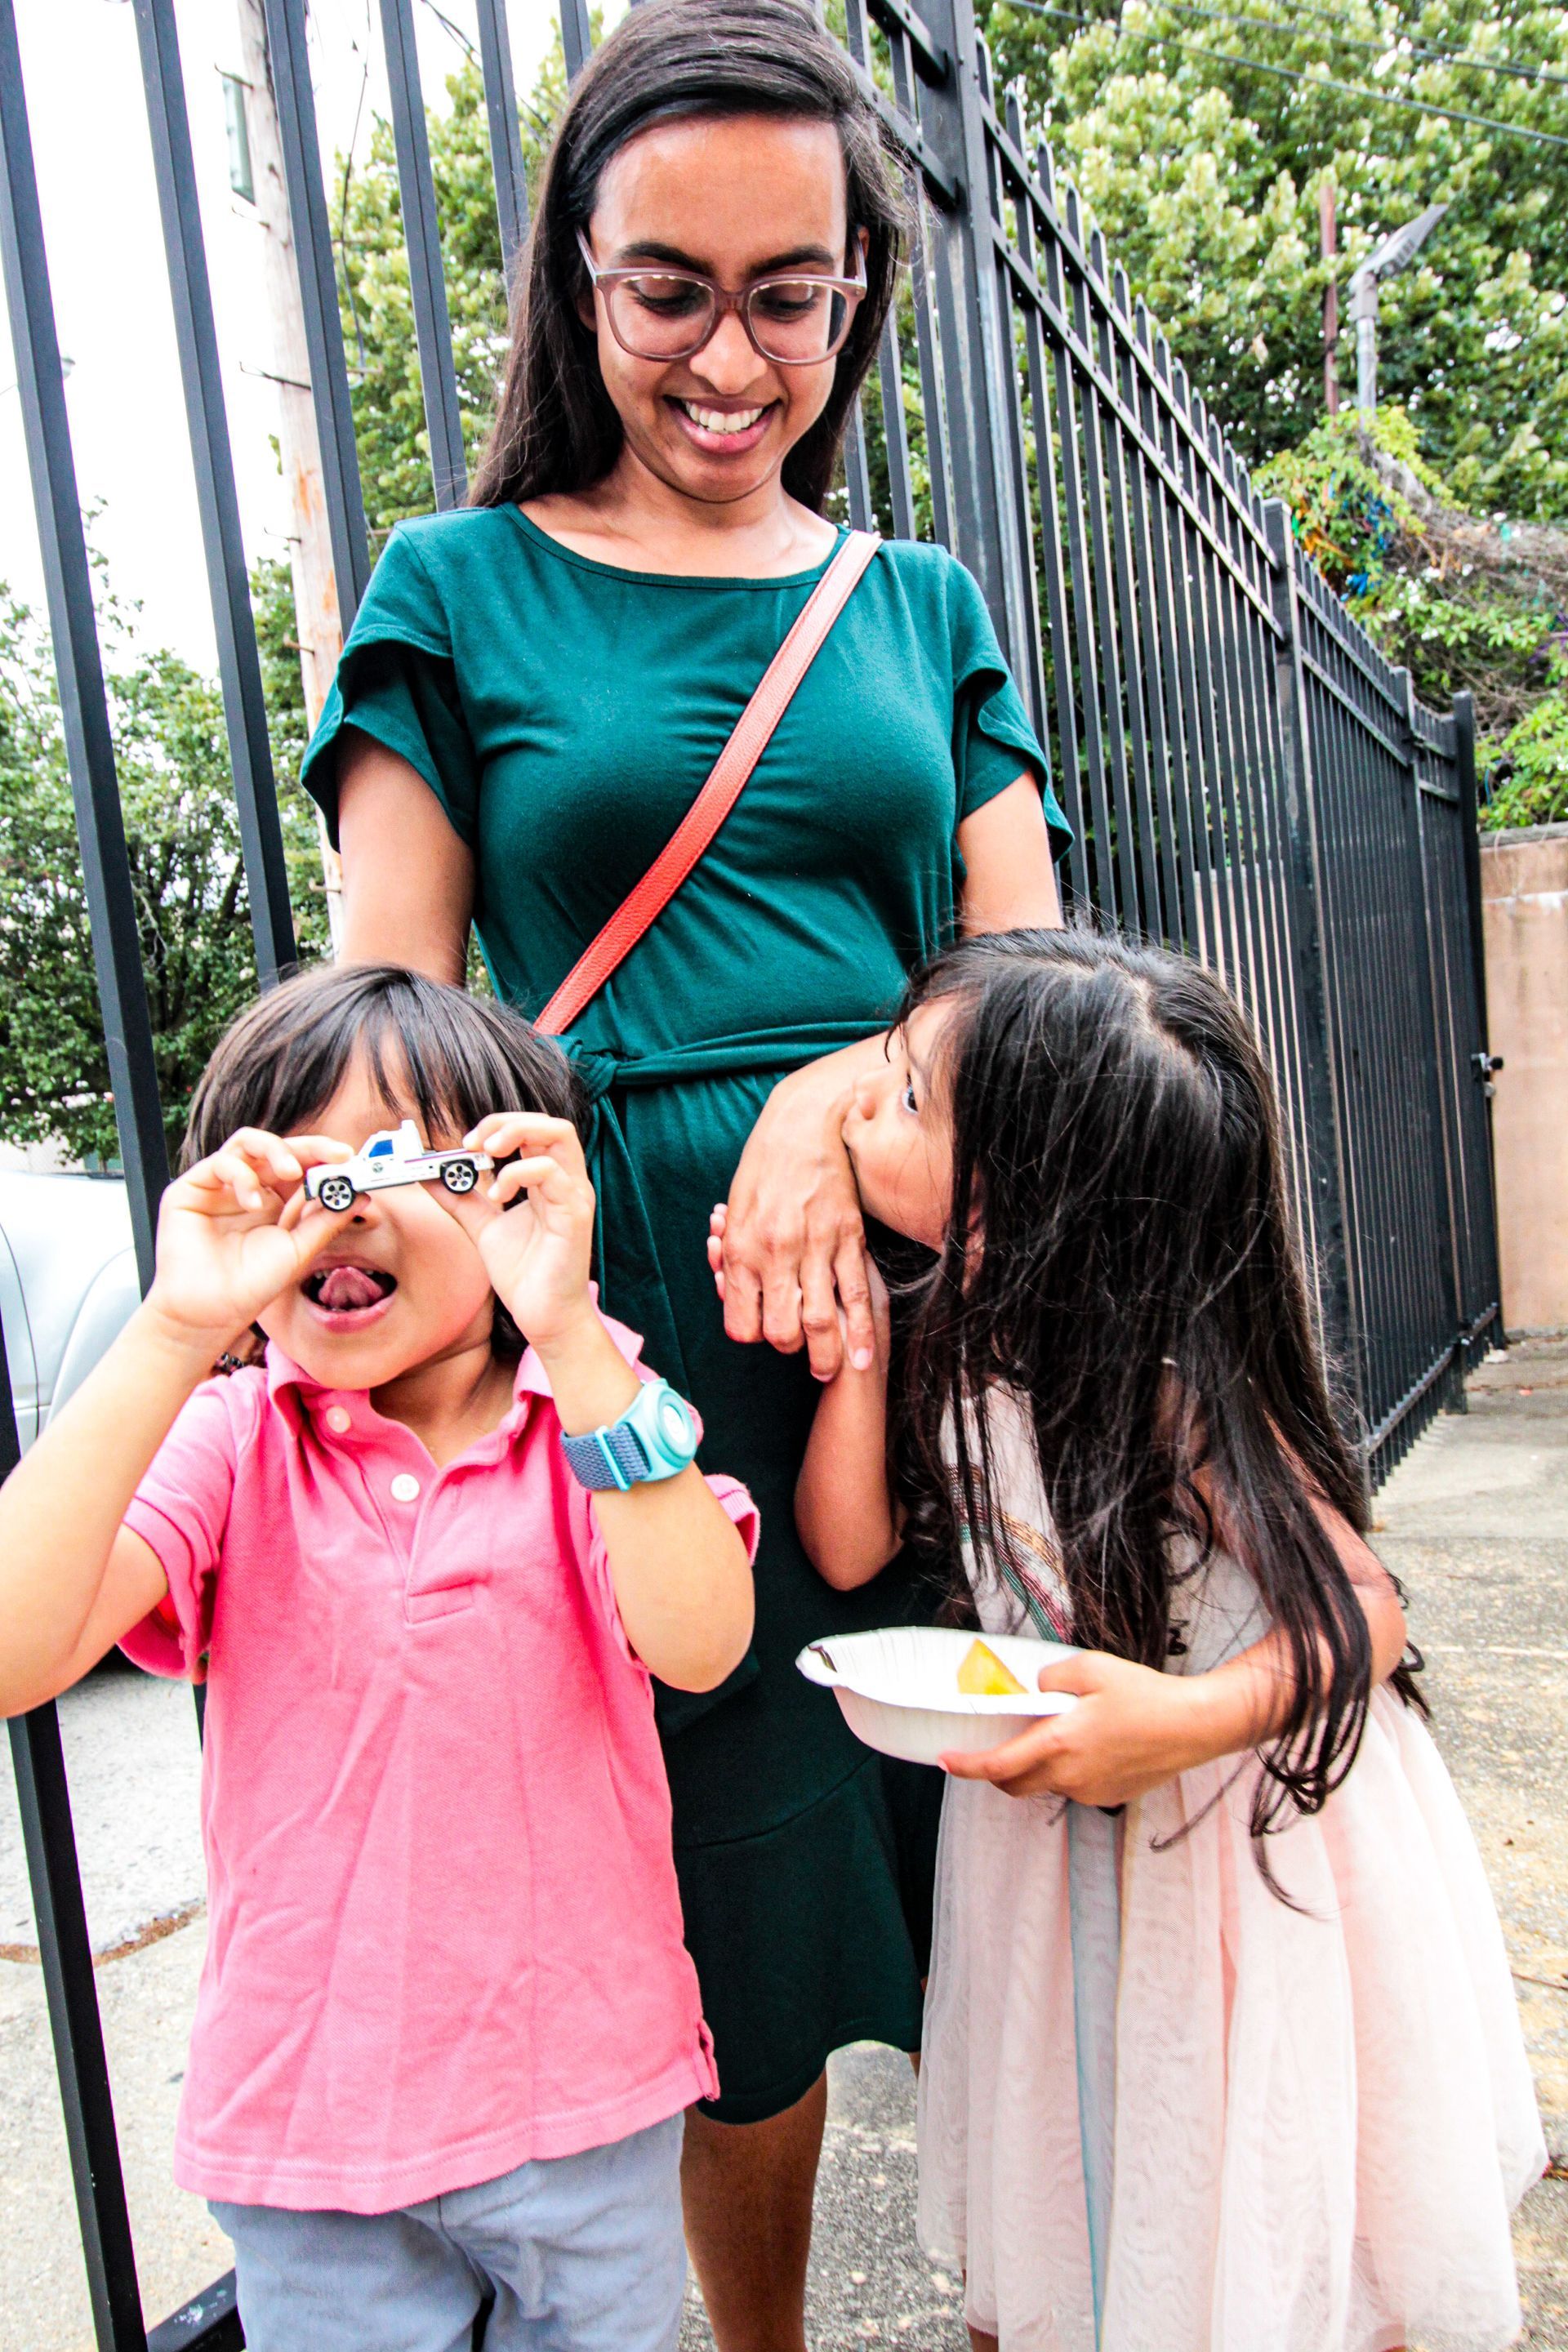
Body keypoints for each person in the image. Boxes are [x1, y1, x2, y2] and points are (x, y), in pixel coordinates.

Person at [299, 0, 1070, 2335]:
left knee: (1013, 1868)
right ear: (576, 281)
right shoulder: (448, 586)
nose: (734, 355)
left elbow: (1025, 995)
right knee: (731, 1931)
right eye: (671, 290)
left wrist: (844, 1107)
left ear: (857, 294)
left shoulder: (919, 608)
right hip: (616, 1356)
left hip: (917, 1331)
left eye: (792, 293)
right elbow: (387, 1062)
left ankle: (1036, 2290)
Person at [789, 929, 1546, 2352]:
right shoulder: (948, 1327)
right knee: (1059, 2197)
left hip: (1236, 1856)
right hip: (1048, 1860)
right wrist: (856, 1342)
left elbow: (1363, 1616)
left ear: (1013, 1202)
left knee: (1267, 2213)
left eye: (899, 1099)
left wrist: (1174, 1723)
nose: (851, 1108)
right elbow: (845, 1548)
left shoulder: (1178, 1385)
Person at [0, 964, 757, 2352]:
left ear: (509, 1192)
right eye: (304, 1167)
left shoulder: (597, 1421)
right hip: (313, 2131)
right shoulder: (236, 1439)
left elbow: (703, 1645)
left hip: (583, 2109)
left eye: (402, 1159)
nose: (343, 1201)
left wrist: (572, 1332)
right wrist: (177, 1328)